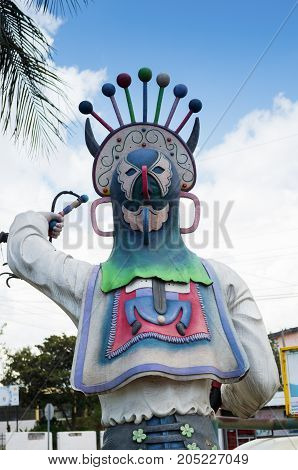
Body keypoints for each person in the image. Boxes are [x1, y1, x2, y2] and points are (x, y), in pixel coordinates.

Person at [7, 69, 280, 450]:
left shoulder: (89, 285)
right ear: (183, 206)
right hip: (197, 445)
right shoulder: (222, 281)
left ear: (111, 211)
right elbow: (263, 381)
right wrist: (224, 401)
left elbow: (25, 253)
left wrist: (38, 220)